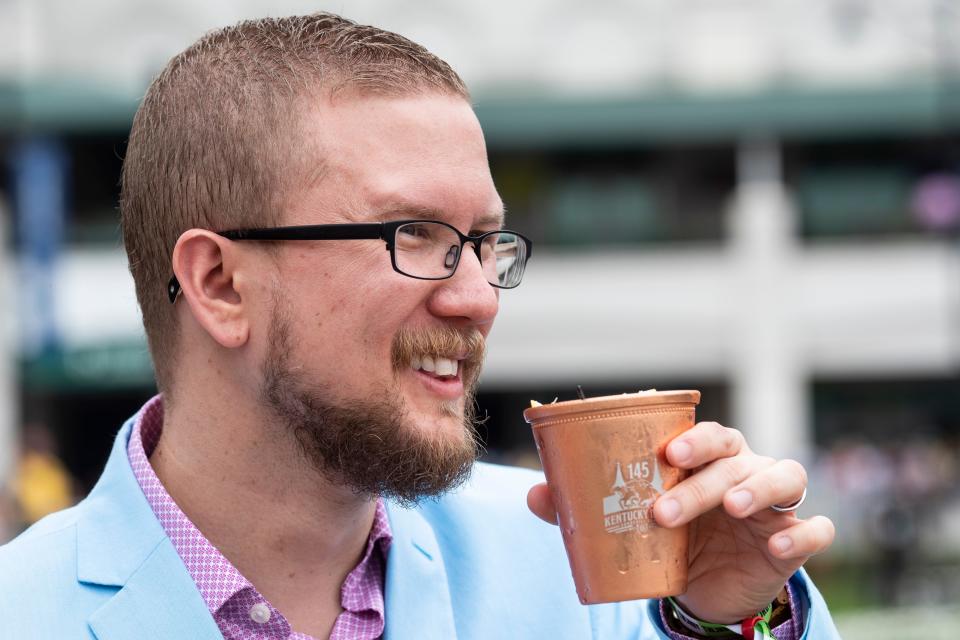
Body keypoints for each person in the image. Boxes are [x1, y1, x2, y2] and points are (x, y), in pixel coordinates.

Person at [0, 13, 839, 639]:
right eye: (413, 236)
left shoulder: (600, 574)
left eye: (483, 242)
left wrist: (734, 618)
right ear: (220, 284)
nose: (478, 297)